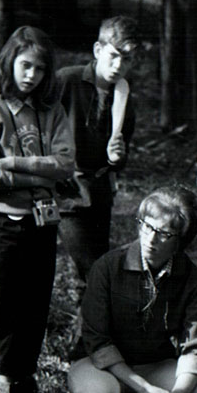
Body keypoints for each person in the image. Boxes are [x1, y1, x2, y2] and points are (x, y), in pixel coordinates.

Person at [68, 186, 197, 393]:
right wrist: (145, 389)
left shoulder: (192, 278)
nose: (150, 239)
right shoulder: (107, 266)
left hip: (154, 364)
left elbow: (194, 348)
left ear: (181, 241)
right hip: (100, 365)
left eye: (164, 234)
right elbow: (97, 340)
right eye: (146, 226)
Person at [0, 26, 75, 393]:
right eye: (25, 65)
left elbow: (66, 164)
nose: (31, 75)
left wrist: (16, 163)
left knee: (36, 304)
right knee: (6, 306)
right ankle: (5, 383)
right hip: (3, 222)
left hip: (43, 222)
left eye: (39, 68)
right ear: (10, 63)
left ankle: (26, 381)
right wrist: (38, 177)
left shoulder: (52, 111)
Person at [56, 16, 139, 286]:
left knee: (97, 268)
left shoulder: (124, 95)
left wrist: (118, 157)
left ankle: (88, 313)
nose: (118, 66)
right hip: (67, 193)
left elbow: (119, 157)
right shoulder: (66, 80)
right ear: (97, 50)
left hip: (100, 194)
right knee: (93, 270)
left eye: (126, 60)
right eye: (113, 56)